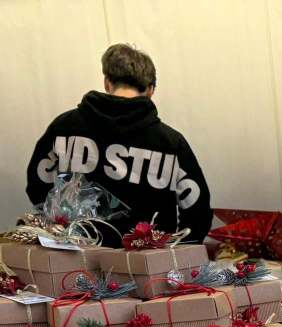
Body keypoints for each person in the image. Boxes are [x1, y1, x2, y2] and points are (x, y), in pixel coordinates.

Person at [25, 43, 212, 244]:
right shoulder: (170, 143)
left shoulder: (64, 127)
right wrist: (175, 254)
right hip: (146, 263)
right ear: (150, 90)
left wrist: (58, 226)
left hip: (76, 256)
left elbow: (38, 182)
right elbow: (196, 210)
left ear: (107, 82)